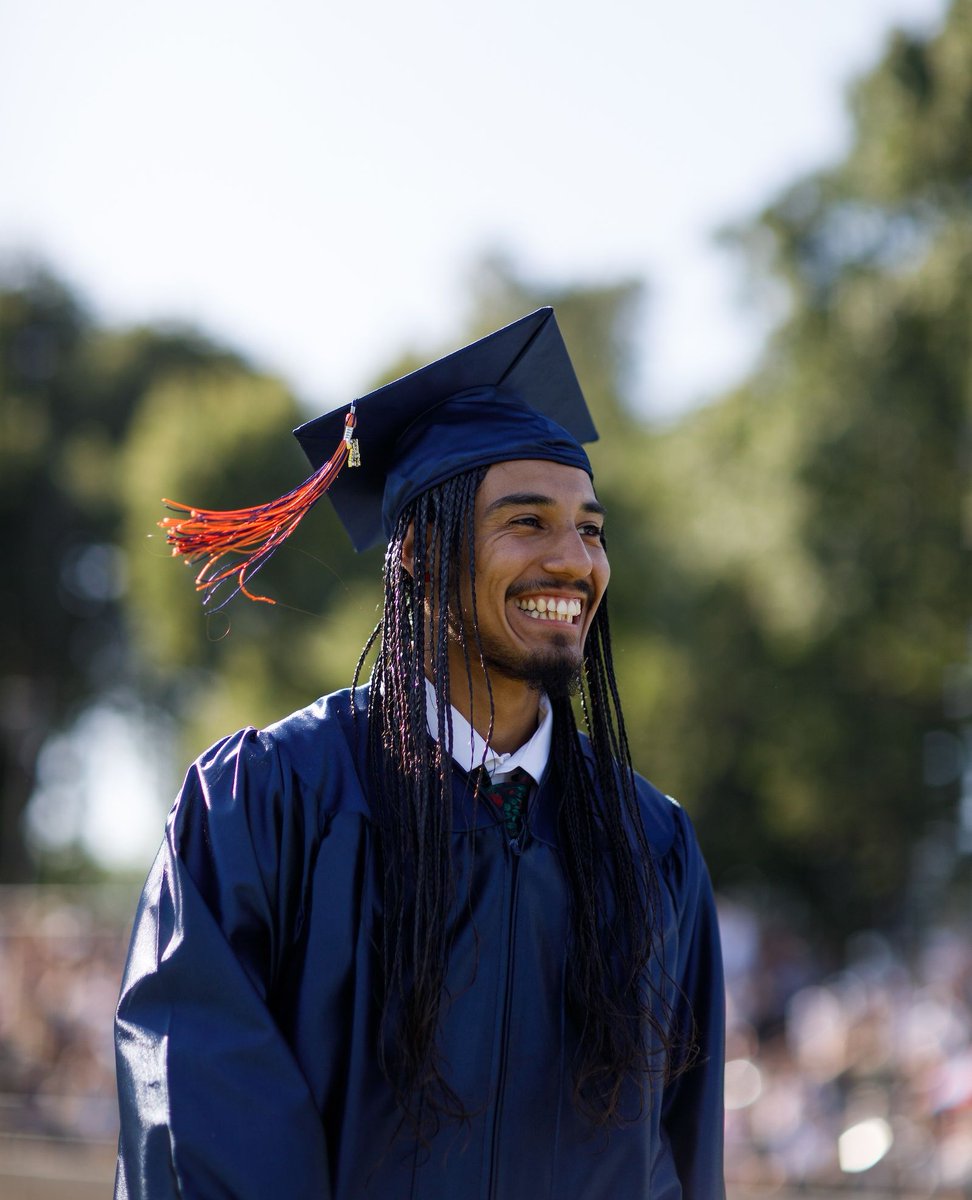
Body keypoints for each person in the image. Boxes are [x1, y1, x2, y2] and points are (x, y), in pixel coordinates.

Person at [114, 308, 726, 1198]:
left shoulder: (651, 850)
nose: (575, 561)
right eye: (528, 522)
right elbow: (201, 1127)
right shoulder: (270, 807)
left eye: (591, 530)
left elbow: (679, 1159)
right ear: (417, 553)